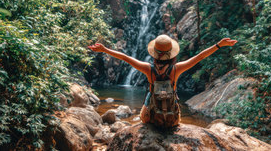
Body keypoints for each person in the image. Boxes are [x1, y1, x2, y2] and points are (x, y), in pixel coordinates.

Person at [88, 35, 237, 128]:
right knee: (173, 96)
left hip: (150, 119)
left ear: (155, 53)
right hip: (172, 120)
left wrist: (105, 49)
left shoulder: (147, 69)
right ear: (171, 55)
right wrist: (219, 45)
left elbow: (125, 58)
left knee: (150, 94)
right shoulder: (176, 69)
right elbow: (199, 57)